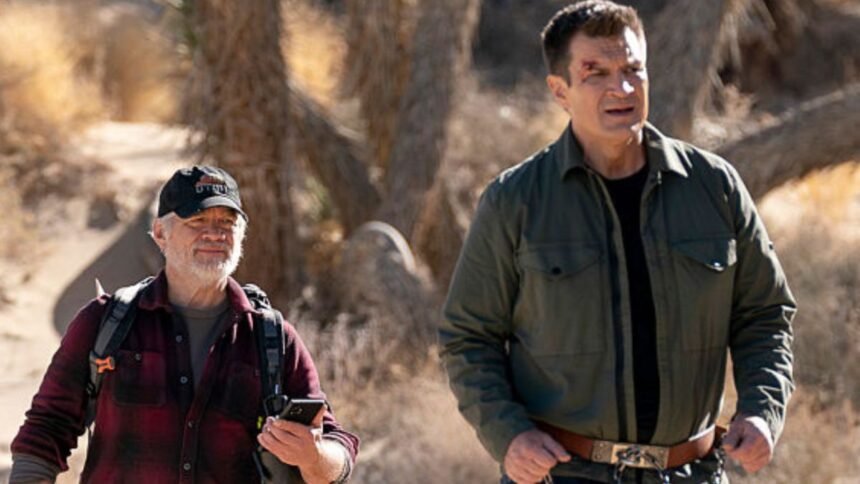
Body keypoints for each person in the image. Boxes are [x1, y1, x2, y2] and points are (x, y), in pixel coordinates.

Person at [439, 2, 795, 483]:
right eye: (596, 73)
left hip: (692, 473)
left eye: (632, 69)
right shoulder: (515, 200)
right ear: (560, 91)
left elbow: (765, 315)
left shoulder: (714, 188)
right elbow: (468, 337)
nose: (622, 89)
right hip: (562, 475)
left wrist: (761, 410)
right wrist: (509, 435)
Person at [10, 166, 358, 483]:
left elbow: (337, 449)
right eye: (197, 220)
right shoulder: (105, 322)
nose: (214, 234)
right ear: (160, 233)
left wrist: (315, 457)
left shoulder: (272, 339)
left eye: (227, 223)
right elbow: (47, 427)